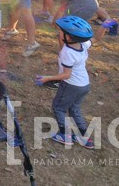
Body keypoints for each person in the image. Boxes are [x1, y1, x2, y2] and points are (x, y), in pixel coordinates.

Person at [36, 16, 95, 148]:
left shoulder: (67, 52)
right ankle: (85, 138)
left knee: (59, 108)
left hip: (71, 86)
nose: (59, 33)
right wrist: (104, 27)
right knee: (75, 109)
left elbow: (66, 75)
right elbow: (96, 40)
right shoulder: (82, 44)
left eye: (61, 31)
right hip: (84, 84)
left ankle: (65, 136)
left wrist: (47, 78)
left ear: (68, 37)